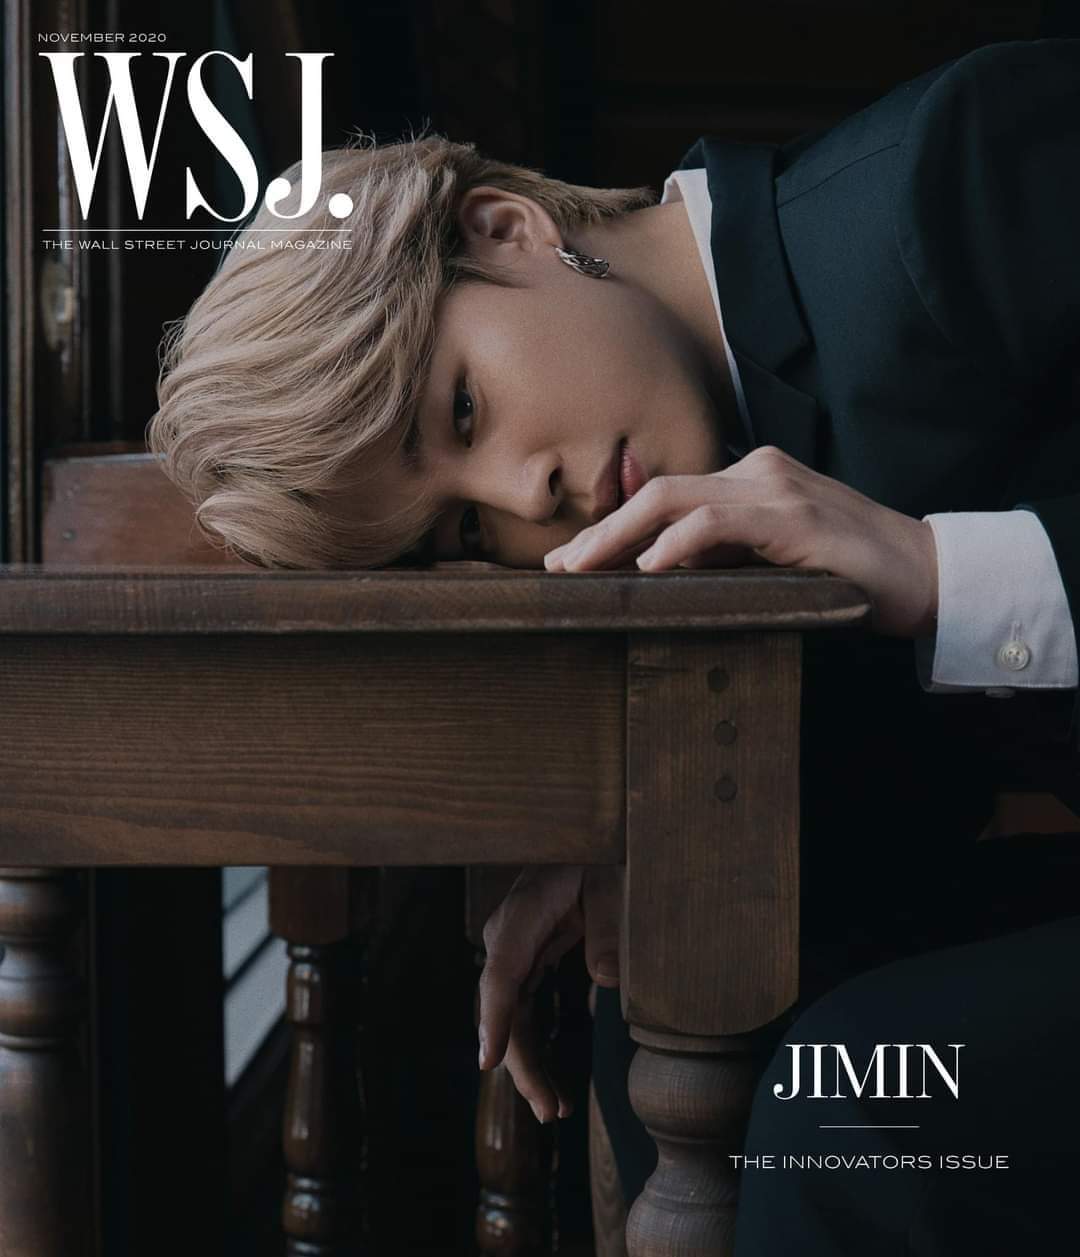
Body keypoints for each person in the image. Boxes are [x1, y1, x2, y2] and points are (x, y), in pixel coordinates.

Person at [149, 37, 1080, 1252]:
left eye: (463, 410)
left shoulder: (972, 169)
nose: (525, 499)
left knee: (851, 1120)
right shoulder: (702, 474)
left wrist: (936, 571)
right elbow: (929, 767)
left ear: (507, 231)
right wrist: (660, 845)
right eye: (462, 530)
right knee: (672, 1020)